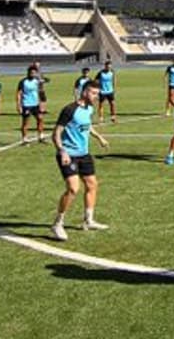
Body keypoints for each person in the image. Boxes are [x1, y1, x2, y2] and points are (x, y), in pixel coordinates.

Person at [50, 80, 110, 241]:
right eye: (93, 93)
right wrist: (62, 152)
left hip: (84, 154)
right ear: (84, 92)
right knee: (73, 189)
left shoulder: (89, 108)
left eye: (97, 94)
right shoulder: (69, 110)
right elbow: (55, 133)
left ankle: (88, 220)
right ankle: (57, 223)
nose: (96, 97)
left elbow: (87, 125)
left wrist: (99, 137)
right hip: (68, 154)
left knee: (92, 185)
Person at [17, 64, 47, 143]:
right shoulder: (23, 82)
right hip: (26, 104)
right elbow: (19, 93)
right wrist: (19, 105)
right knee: (26, 122)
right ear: (28, 73)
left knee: (40, 119)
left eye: (34, 73)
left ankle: (41, 136)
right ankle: (25, 138)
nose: (32, 74)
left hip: (35, 104)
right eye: (31, 73)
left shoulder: (37, 81)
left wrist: (41, 104)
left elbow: (41, 90)